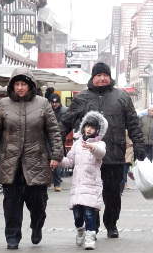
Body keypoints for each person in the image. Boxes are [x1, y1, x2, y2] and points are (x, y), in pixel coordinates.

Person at [0, 68, 63, 249]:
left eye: (23, 84)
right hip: (10, 162)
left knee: (38, 203)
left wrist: (56, 155)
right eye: (16, 84)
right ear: (12, 86)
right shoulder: (4, 104)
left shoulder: (43, 104)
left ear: (30, 85)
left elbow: (54, 132)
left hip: (37, 161)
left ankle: (37, 225)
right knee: (11, 204)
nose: (20, 88)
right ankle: (12, 235)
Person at [61, 62, 144, 239]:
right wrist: (57, 143)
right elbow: (66, 121)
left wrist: (139, 144)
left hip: (114, 153)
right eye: (98, 75)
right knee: (91, 192)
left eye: (105, 75)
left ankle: (111, 223)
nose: (102, 78)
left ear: (109, 77)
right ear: (93, 77)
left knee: (113, 193)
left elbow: (133, 123)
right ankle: (93, 225)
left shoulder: (122, 97)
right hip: (89, 156)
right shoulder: (82, 97)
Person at [60, 111, 107, 250]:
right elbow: (69, 161)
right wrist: (58, 160)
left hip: (92, 185)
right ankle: (80, 230)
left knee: (89, 212)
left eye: (92, 127)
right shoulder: (77, 144)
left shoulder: (100, 143)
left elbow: (101, 153)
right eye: (87, 126)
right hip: (78, 185)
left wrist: (92, 147)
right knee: (77, 214)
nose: (89, 129)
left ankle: (90, 237)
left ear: (97, 130)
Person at [48, 93, 68, 192]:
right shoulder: (47, 110)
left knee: (57, 159)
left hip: (59, 138)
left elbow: (67, 125)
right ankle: (51, 181)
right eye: (53, 102)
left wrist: (63, 134)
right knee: (49, 158)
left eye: (56, 102)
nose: (54, 104)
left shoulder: (64, 111)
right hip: (48, 138)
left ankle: (57, 183)